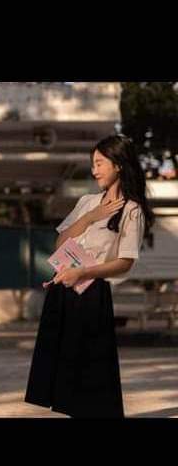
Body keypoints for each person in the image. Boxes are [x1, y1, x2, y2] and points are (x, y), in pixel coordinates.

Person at [24, 134, 154, 419]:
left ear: (118, 164)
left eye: (99, 163)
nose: (94, 170)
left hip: (92, 292)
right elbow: (60, 244)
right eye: (92, 164)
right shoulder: (87, 202)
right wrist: (90, 217)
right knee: (63, 366)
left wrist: (83, 271)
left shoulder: (132, 210)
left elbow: (125, 263)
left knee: (91, 369)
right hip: (63, 288)